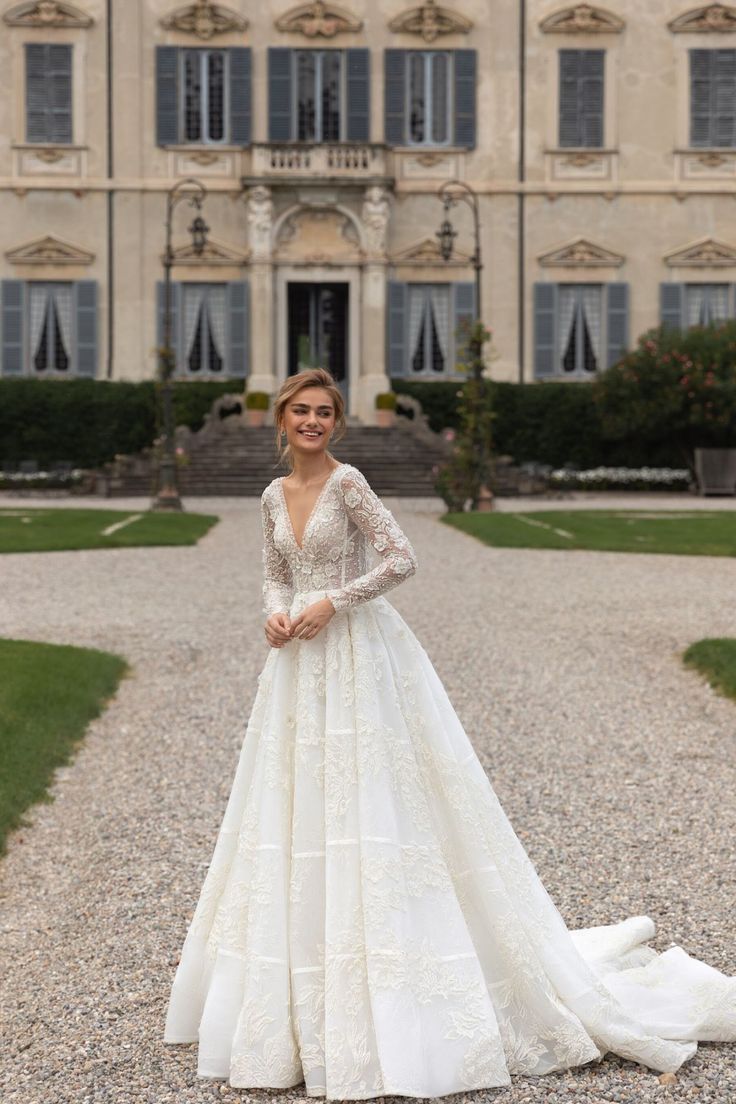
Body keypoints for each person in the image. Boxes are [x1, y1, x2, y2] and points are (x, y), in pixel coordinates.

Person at [164, 367, 736, 1098]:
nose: (312, 423)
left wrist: (334, 601)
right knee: (295, 803)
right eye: (301, 412)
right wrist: (274, 613)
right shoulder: (273, 494)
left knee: (370, 799)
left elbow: (403, 557)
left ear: (334, 423)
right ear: (282, 420)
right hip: (296, 669)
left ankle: (394, 985)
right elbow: (273, 572)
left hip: (356, 654)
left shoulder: (348, 484)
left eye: (323, 413)